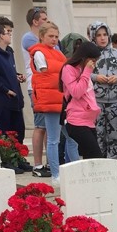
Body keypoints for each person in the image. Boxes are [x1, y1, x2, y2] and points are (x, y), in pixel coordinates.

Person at [28, 21, 77, 185]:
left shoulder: (58, 54)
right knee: (53, 139)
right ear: (42, 36)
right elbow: (45, 73)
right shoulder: (39, 53)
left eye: (56, 36)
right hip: (50, 100)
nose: (54, 39)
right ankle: (56, 174)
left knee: (71, 137)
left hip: (61, 99)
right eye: (50, 36)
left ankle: (74, 169)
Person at [0, 24, 27, 164]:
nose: (10, 34)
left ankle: (18, 159)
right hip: (2, 100)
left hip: (14, 100)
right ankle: (7, 161)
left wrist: (17, 76)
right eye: (7, 32)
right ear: (1, 36)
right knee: (5, 132)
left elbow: (6, 72)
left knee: (19, 131)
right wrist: (5, 89)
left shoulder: (8, 54)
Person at [88, 21, 117, 160]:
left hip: (114, 102)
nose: (102, 38)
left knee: (114, 135)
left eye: (105, 34)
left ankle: (113, 163)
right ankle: (99, 162)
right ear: (93, 36)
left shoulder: (116, 53)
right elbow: (82, 74)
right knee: (98, 135)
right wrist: (96, 77)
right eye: (98, 35)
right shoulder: (89, 53)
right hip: (96, 101)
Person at [60, 41, 103, 159]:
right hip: (76, 121)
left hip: (89, 121)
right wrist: (87, 71)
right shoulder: (68, 69)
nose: (94, 64)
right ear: (85, 57)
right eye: (93, 61)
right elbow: (76, 92)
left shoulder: (83, 70)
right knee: (96, 156)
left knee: (91, 158)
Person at [22, 6, 51, 178]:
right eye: (44, 19)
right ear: (35, 21)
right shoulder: (29, 38)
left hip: (48, 86)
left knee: (49, 127)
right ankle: (38, 164)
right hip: (36, 86)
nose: (47, 22)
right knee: (40, 126)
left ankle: (49, 161)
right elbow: (46, 55)